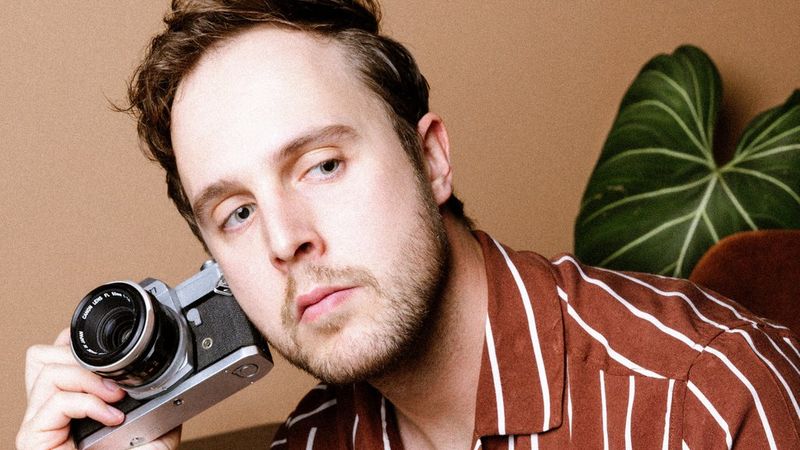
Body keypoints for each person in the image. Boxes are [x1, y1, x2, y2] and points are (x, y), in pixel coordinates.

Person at [17, 1, 800, 449]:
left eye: (321, 164)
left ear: (430, 161)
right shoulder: (316, 442)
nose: (284, 238)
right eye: (237, 212)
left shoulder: (705, 402)